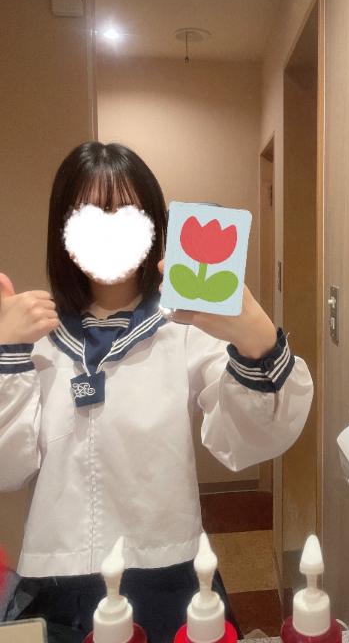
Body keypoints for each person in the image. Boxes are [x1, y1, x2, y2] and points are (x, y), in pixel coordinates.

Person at [0, 142, 314, 643]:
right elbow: (7, 469)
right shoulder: (34, 337)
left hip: (168, 572)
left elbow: (250, 439)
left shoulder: (184, 329)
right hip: (58, 578)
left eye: (127, 215)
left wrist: (257, 341)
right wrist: (7, 352)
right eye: (89, 215)